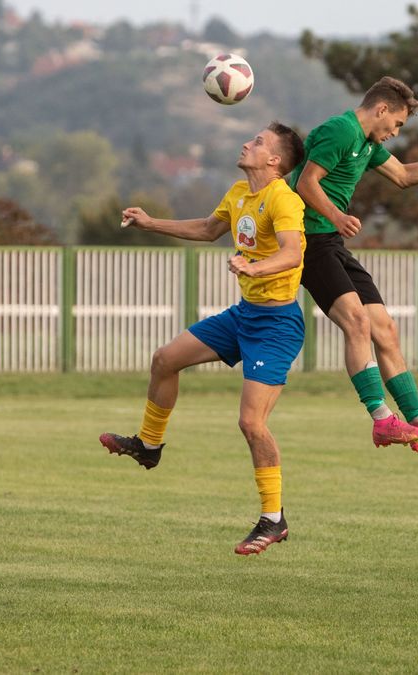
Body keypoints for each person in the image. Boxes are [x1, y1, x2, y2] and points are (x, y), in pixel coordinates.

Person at [100, 122, 307, 556]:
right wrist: (150, 223)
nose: (247, 142)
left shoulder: (284, 199)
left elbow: (292, 252)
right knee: (165, 359)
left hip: (276, 326)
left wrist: (255, 267)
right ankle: (149, 445)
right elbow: (209, 229)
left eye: (258, 142)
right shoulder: (238, 192)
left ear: (274, 161)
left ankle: (273, 519)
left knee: (251, 424)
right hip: (243, 316)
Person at [289, 76, 418, 452]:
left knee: (385, 328)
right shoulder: (341, 131)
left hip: (330, 240)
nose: (396, 132)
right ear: (381, 109)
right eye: (397, 123)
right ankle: (382, 420)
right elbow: (306, 183)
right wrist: (336, 215)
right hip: (306, 240)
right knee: (357, 321)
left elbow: (404, 176)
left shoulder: (366, 143)